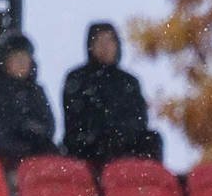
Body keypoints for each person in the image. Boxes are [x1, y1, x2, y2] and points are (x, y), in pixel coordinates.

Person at [62, 22, 163, 167]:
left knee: (151, 139)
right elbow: (74, 120)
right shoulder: (77, 79)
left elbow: (139, 120)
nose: (105, 46)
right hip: (90, 147)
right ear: (91, 45)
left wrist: (122, 133)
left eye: (110, 41)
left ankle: (148, 180)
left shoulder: (129, 82)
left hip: (125, 146)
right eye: (100, 41)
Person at [0, 31, 57, 172]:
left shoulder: (36, 91)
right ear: (5, 61)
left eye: (25, 57)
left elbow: (48, 127)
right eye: (16, 57)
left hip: (36, 162)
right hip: (3, 163)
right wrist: (23, 139)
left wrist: (33, 137)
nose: (22, 62)